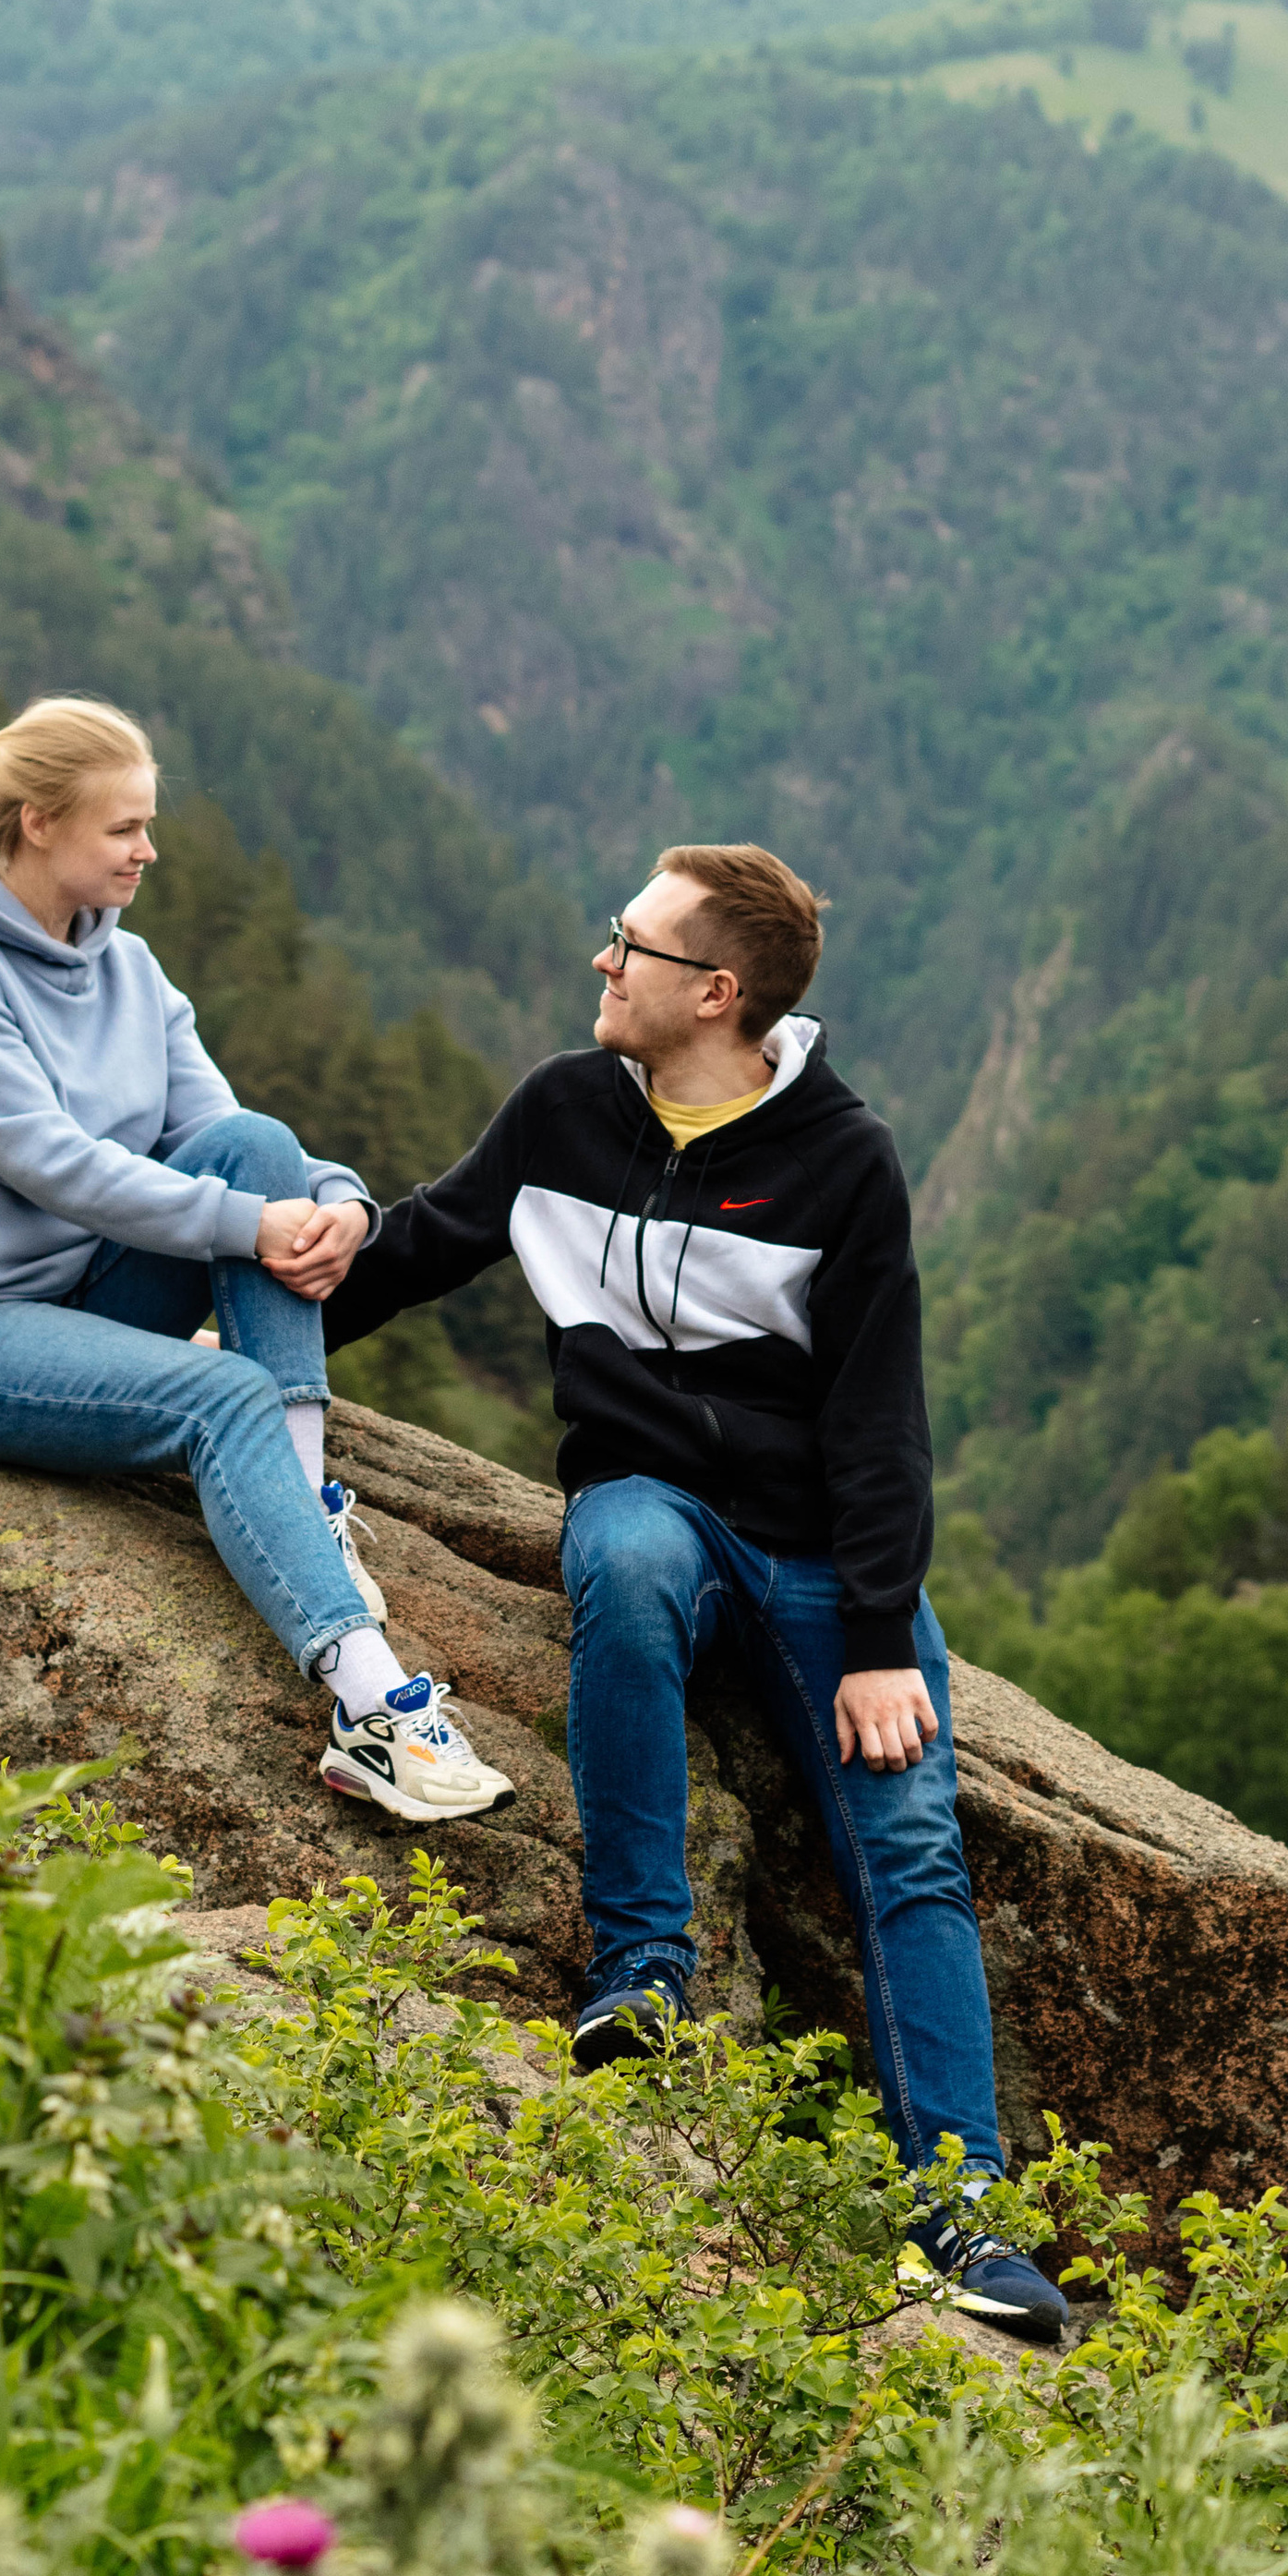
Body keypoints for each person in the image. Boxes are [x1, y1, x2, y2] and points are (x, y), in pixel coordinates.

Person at [314, 842, 1067, 2346]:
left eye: (632, 945)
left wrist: (873, 1643)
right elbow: (410, 1253)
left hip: (817, 1554)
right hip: (654, 1503)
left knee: (908, 1845)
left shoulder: (843, 1161)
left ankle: (960, 2230)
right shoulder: (565, 1112)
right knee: (626, 1559)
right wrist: (229, 1362)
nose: (604, 963)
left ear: (717, 993)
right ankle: (644, 1970)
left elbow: (878, 1421)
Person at [0, 695, 512, 1826]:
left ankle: (299, 1507)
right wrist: (253, 1227)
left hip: (89, 1295)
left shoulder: (129, 967)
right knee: (224, 1396)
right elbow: (52, 1165)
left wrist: (333, 1200)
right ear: (40, 824)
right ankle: (371, 1713)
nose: (149, 851)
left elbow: (233, 1133)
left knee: (254, 1151)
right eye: (125, 830)